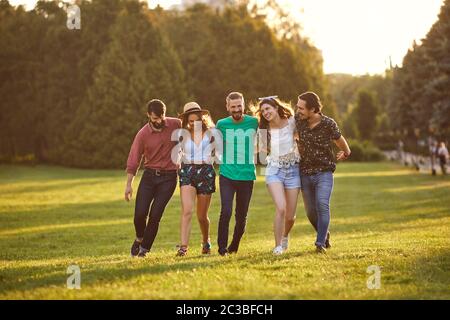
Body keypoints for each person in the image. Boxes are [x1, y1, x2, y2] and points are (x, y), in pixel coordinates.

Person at [294, 92, 351, 253]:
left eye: (301, 108)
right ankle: (325, 234)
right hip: (304, 172)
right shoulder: (299, 121)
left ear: (313, 109)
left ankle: (320, 244)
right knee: (310, 212)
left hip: (324, 172)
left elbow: (339, 139)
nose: (298, 111)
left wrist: (346, 152)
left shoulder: (328, 123)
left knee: (322, 204)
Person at [125, 99, 181, 258]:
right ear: (148, 115)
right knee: (140, 214)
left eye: (162, 117)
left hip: (169, 178)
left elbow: (192, 126)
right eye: (155, 118)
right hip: (149, 177)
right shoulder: (143, 134)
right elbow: (134, 160)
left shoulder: (175, 124)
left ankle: (144, 249)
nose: (160, 121)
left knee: (155, 214)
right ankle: (139, 238)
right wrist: (129, 185)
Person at [254, 96, 301, 255]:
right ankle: (278, 246)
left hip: (293, 170)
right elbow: (259, 149)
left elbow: (305, 137)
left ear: (276, 108)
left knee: (290, 216)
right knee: (281, 208)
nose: (265, 113)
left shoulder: (292, 122)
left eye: (268, 109)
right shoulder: (264, 130)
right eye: (263, 111)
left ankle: (285, 235)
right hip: (274, 170)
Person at [215, 92, 258, 256]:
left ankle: (234, 244)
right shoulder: (221, 124)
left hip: (247, 176)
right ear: (227, 107)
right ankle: (222, 249)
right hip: (227, 174)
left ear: (243, 105)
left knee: (241, 217)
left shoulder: (253, 122)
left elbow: (271, 127)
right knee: (225, 211)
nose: (236, 109)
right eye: (233, 107)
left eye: (239, 106)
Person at [176, 102, 216, 256]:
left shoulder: (211, 132)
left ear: (201, 118)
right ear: (187, 120)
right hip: (187, 171)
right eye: (190, 121)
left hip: (206, 172)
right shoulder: (182, 134)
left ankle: (206, 240)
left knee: (201, 216)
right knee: (187, 210)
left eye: (196, 120)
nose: (193, 124)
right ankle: (183, 247)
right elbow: (177, 153)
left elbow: (220, 151)